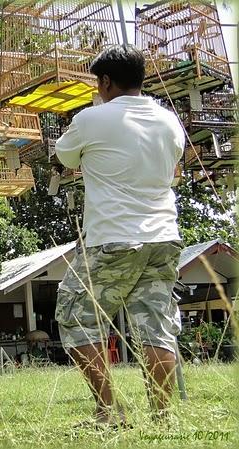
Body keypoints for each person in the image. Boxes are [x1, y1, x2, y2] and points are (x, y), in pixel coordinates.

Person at [53, 44, 185, 426]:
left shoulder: (92, 119)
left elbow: (65, 157)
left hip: (112, 238)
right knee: (156, 327)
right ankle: (162, 416)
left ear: (105, 81)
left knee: (76, 317)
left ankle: (109, 411)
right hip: (164, 236)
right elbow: (173, 160)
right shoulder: (168, 120)